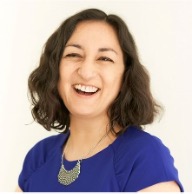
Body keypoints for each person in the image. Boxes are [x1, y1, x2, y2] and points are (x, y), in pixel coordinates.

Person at [16, 8, 183, 192]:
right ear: (55, 69)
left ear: (125, 76)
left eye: (104, 58)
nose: (86, 72)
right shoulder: (39, 157)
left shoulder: (145, 157)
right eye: (74, 55)